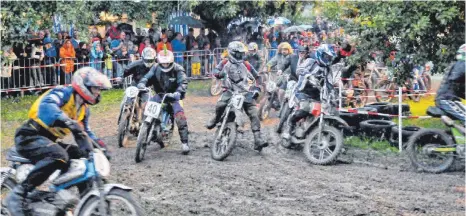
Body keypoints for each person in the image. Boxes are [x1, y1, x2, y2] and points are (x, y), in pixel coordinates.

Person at [5, 67, 112, 216]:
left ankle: (84, 202)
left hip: (47, 140)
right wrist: (67, 120)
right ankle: (17, 195)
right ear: (83, 86)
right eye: (95, 89)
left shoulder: (83, 110)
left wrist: (100, 147)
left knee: (82, 156)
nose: (98, 93)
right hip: (29, 136)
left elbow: (85, 133)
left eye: (99, 89)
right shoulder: (64, 93)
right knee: (59, 155)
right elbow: (47, 106)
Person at [206, 41, 269, 151]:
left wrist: (257, 88)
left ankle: (258, 139)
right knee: (220, 104)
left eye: (242, 54)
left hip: (245, 92)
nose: (240, 56)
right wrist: (219, 74)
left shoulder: (246, 64)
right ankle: (216, 119)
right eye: (238, 54)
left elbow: (258, 77)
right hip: (229, 90)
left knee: (254, 113)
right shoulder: (225, 62)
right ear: (231, 52)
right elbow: (215, 70)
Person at [137, 49, 190, 154]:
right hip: (160, 94)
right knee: (146, 107)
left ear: (171, 62)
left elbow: (183, 82)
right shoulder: (155, 67)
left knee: (180, 117)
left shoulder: (178, 69)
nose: (165, 65)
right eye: (163, 63)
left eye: (167, 63)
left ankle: (185, 143)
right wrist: (142, 84)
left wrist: (179, 92)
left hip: (174, 96)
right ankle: (146, 127)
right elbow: (147, 77)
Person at [281, 44, 337, 141]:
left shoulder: (327, 70)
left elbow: (329, 84)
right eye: (326, 56)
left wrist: (332, 96)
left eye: (329, 57)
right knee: (305, 107)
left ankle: (311, 132)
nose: (328, 59)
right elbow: (299, 69)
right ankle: (289, 126)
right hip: (302, 91)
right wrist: (309, 76)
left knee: (323, 111)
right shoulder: (311, 62)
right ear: (320, 54)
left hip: (316, 95)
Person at [435, 44, 466, 123]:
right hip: (446, 99)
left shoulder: (459, 64)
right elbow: (455, 78)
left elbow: (459, 88)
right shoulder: (461, 64)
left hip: (452, 99)